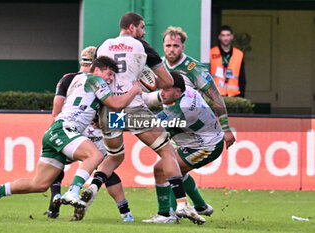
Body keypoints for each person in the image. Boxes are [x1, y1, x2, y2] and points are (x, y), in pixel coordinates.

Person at [64, 12, 205, 224]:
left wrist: (96, 112)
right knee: (166, 150)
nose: (143, 32)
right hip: (133, 110)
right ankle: (183, 204)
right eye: (141, 28)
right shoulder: (143, 46)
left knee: (114, 156)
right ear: (132, 28)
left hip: (108, 111)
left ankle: (92, 187)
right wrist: (147, 78)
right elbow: (166, 82)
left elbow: (94, 80)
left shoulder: (103, 46)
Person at [0, 56, 142, 217]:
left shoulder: (78, 80)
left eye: (113, 75)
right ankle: (73, 191)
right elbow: (116, 103)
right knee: (96, 155)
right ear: (97, 69)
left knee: (39, 184)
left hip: (54, 131)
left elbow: (89, 108)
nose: (111, 78)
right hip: (65, 128)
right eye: (109, 73)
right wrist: (135, 90)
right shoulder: (95, 80)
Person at [45, 46, 134, 222]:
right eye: (86, 63)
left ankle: (56, 198)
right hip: (80, 130)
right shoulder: (98, 81)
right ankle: (124, 212)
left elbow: (56, 110)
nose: (86, 67)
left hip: (78, 129)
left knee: (60, 164)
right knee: (103, 167)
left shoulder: (70, 78)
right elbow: (114, 108)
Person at [142, 71, 228, 223]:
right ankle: (200, 206)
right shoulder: (185, 90)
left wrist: (112, 119)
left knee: (162, 169)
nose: (162, 93)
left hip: (206, 147)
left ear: (178, 91)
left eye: (166, 89)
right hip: (200, 139)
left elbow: (145, 125)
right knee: (176, 171)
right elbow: (149, 99)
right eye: (161, 88)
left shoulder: (181, 109)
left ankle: (166, 215)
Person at [210, 25, 246, 97]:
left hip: (234, 94)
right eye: (223, 35)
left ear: (232, 36)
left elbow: (242, 78)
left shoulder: (239, 54)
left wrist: (242, 95)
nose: (225, 38)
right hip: (217, 94)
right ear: (219, 37)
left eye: (228, 35)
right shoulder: (211, 53)